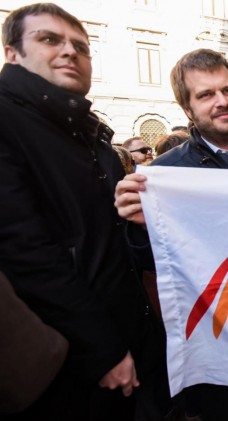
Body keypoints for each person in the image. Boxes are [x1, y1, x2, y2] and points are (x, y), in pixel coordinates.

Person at [114, 48, 228, 421]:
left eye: (227, 90)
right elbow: (147, 263)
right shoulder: (166, 172)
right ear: (188, 109)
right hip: (210, 337)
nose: (222, 101)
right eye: (206, 94)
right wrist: (137, 226)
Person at [0, 3, 166, 420]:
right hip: (67, 364)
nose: (69, 52)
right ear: (12, 53)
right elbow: (25, 253)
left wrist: (134, 219)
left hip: (126, 342)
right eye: (49, 39)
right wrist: (101, 349)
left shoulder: (92, 139)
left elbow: (104, 245)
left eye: (81, 46)